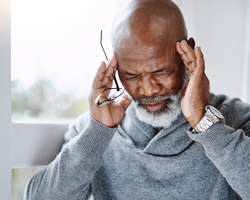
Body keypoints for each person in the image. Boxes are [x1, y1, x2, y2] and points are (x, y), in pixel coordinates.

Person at [24, 0, 250, 199]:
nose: (148, 90)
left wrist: (204, 122)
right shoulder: (92, 130)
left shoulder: (237, 118)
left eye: (161, 72)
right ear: (116, 67)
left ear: (187, 53)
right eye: (131, 75)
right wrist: (98, 132)